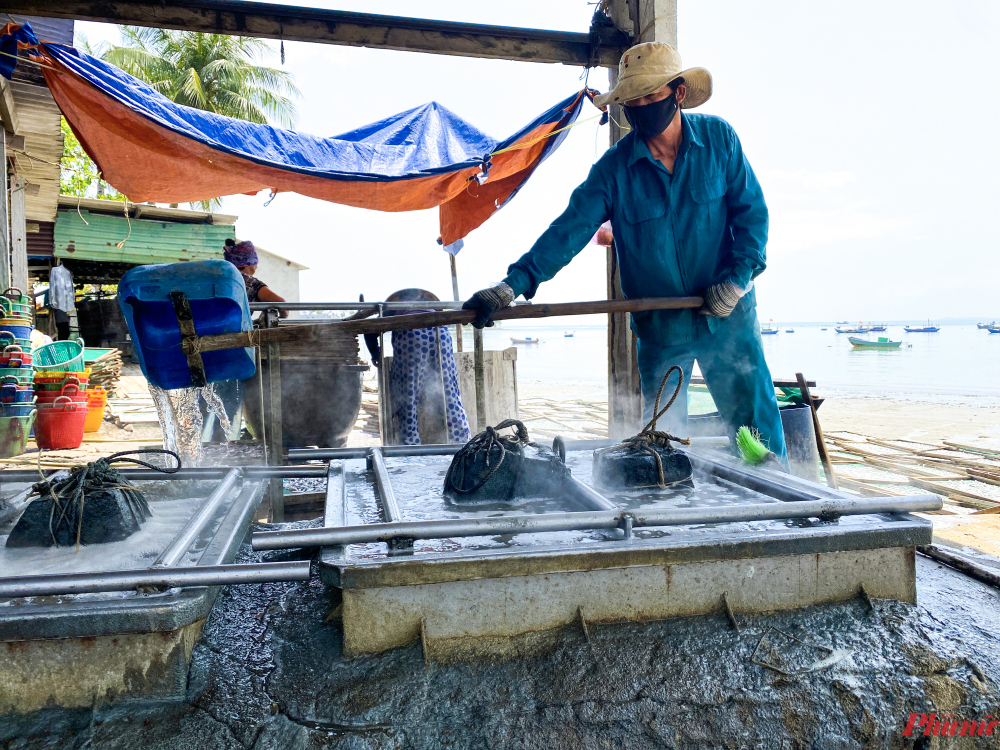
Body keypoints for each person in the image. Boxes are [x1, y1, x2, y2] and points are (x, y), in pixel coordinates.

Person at [462, 42, 786, 461]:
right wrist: (511, 285)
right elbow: (569, 230)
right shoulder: (614, 170)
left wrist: (738, 280)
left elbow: (752, 217)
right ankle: (673, 517)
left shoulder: (719, 139)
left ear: (678, 93)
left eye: (652, 96)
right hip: (661, 326)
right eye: (633, 100)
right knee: (663, 442)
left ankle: (783, 508)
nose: (642, 107)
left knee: (756, 430)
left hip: (727, 317)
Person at [364, 289, 471, 446]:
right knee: (449, 392)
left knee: (408, 396)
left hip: (411, 336)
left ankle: (410, 445)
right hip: (440, 334)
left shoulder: (393, 308)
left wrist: (376, 354)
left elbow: (369, 330)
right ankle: (462, 442)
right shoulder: (432, 307)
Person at [224, 238, 288, 318]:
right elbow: (282, 304)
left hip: (206, 328)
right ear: (250, 264)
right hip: (234, 329)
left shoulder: (218, 278)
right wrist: (281, 319)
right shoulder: (251, 283)